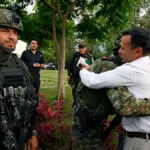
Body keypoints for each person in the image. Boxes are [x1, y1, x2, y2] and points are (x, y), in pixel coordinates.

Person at [80, 27, 150, 150]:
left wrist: (84, 71)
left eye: (123, 48)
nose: (119, 51)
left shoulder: (131, 69)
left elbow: (93, 81)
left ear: (138, 51)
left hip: (140, 142)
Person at [0, 8, 39, 150]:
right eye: (5, 30)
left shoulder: (19, 64)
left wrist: (33, 134)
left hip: (15, 139)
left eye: (15, 32)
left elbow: (31, 100)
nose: (12, 37)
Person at [68, 42, 93, 106]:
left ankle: (82, 104)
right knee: (74, 90)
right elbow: (71, 65)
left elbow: (91, 66)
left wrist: (86, 66)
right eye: (79, 48)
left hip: (84, 77)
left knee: (83, 91)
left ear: (85, 48)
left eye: (82, 48)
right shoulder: (76, 55)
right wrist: (69, 74)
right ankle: (75, 102)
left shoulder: (88, 56)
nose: (81, 49)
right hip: (75, 76)